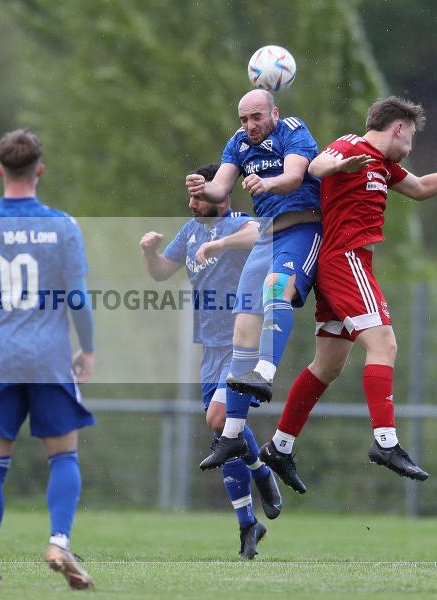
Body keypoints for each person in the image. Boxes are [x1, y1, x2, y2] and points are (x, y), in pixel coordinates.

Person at [259, 96, 437, 493]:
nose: (411, 146)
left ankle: (280, 446)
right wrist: (340, 165)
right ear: (398, 127)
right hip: (344, 261)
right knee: (384, 344)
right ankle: (386, 443)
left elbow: (420, 188)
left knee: (328, 365)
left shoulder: (384, 164)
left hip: (347, 266)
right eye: (412, 136)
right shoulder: (352, 145)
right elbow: (314, 166)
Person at [0, 129, 96, 589]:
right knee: (64, 455)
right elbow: (79, 299)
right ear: (39, 170)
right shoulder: (62, 226)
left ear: (0, 171)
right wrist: (88, 348)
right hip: (48, 359)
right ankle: (59, 540)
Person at [140, 163, 282, 559]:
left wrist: (220, 245)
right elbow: (161, 274)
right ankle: (247, 525)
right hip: (209, 347)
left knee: (219, 421)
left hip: (242, 345)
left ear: (223, 196)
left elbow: (261, 234)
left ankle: (263, 473)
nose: (192, 203)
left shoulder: (241, 222)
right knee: (224, 438)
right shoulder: (188, 232)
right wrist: (150, 252)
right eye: (191, 196)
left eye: (200, 196)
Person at [187, 89, 323, 469]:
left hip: (301, 230)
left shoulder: (293, 130)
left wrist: (269, 183)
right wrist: (204, 187)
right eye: (244, 119)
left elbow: (295, 176)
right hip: (266, 237)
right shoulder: (238, 142)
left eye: (257, 117)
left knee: (275, 290)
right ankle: (231, 435)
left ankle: (266, 372)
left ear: (274, 113)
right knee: (242, 327)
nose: (250, 125)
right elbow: (221, 187)